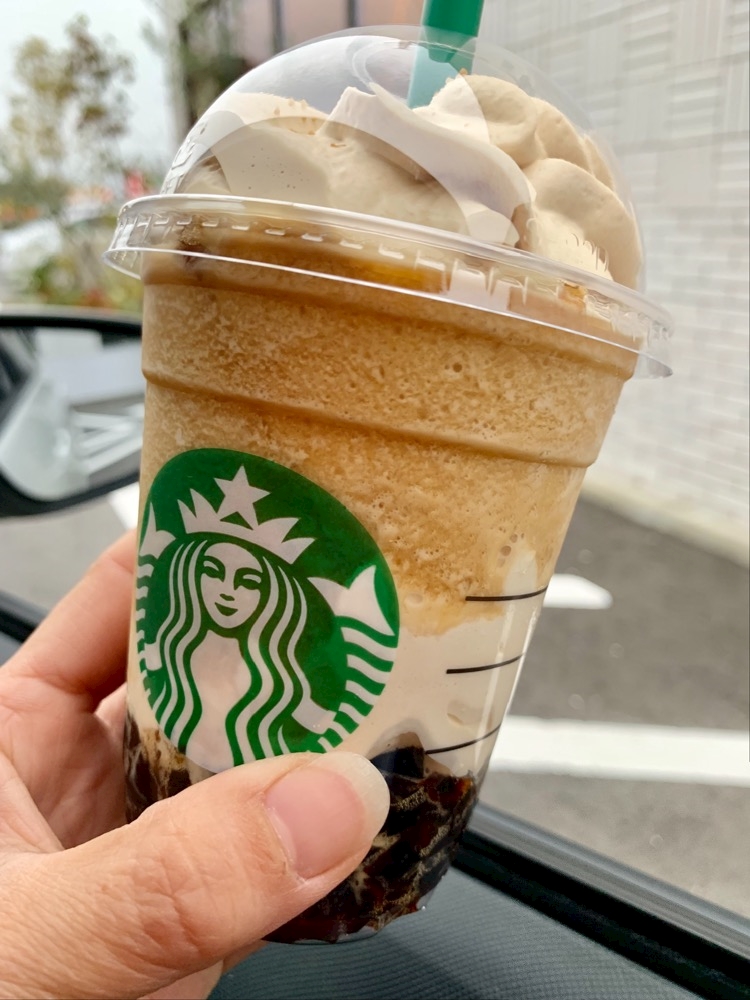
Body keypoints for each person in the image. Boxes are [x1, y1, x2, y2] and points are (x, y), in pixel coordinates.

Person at [0, 531, 390, 1000]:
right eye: (212, 572)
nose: (227, 591)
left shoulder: (288, 692)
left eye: (248, 581)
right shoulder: (182, 672)